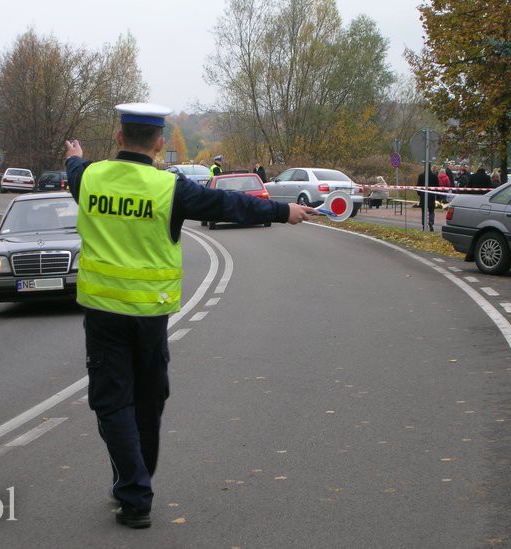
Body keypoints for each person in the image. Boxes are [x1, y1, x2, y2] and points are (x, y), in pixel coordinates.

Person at [64, 103, 317, 529]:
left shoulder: (89, 178)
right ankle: (135, 489)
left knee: (113, 402)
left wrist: (73, 154)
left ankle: (133, 484)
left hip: (104, 314)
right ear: (160, 144)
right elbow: (226, 205)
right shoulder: (170, 188)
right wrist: (280, 210)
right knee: (148, 399)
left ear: (120, 139)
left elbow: (73, 170)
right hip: (151, 315)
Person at [417, 163, 439, 231]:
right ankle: (431, 222)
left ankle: (424, 225)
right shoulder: (434, 176)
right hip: (431, 195)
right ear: (430, 167)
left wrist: (420, 194)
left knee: (424, 211)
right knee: (431, 210)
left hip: (423, 195)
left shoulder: (421, 176)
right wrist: (436, 195)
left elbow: (418, 186)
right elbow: (437, 186)